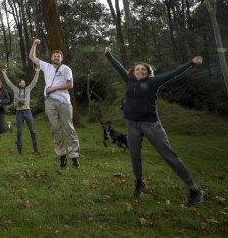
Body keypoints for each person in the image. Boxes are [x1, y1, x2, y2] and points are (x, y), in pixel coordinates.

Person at [104, 46, 204, 204]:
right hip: (132, 125)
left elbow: (174, 73)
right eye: (137, 69)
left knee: (168, 155)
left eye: (143, 69)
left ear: (148, 72)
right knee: (135, 155)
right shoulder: (129, 80)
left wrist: (191, 63)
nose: (140, 71)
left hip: (151, 124)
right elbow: (118, 67)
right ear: (133, 71)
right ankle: (139, 183)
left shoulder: (153, 82)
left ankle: (194, 189)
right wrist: (108, 55)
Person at [29, 39, 80, 169]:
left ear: (61, 59)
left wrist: (54, 88)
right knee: (55, 128)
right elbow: (32, 57)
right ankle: (62, 155)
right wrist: (34, 44)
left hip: (63, 101)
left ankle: (74, 155)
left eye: (59, 56)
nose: (56, 57)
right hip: (50, 101)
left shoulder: (66, 69)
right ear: (51, 58)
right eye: (54, 56)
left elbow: (70, 84)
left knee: (68, 127)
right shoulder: (46, 66)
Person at [1, 66, 41, 155]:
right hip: (19, 112)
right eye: (21, 82)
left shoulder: (28, 89)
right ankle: (20, 150)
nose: (23, 83)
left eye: (24, 82)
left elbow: (34, 82)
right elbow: (8, 82)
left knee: (33, 131)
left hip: (28, 111)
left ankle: (36, 149)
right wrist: (4, 74)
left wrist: (37, 72)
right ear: (19, 84)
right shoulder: (15, 89)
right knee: (19, 131)